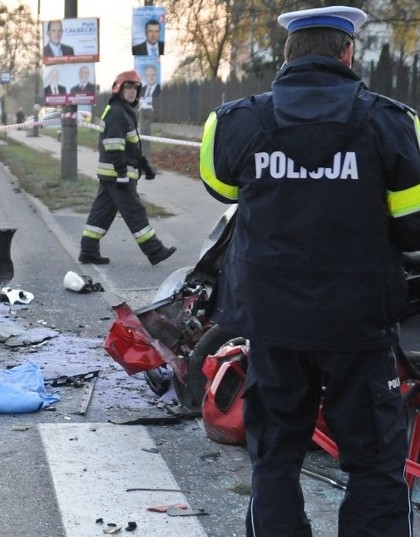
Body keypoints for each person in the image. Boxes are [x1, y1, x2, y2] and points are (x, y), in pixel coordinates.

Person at [199, 6, 420, 536]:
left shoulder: (234, 122)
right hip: (359, 326)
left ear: (287, 55)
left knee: (275, 456)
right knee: (373, 460)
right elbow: (414, 228)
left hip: (273, 326)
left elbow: (222, 189)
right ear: (348, 53)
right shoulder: (393, 123)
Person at [79, 70, 176, 266]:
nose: (132, 91)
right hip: (118, 175)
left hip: (112, 175)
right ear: (119, 89)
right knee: (135, 212)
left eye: (135, 88)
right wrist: (122, 172)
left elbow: (131, 146)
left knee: (102, 213)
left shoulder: (123, 111)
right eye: (128, 87)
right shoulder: (117, 112)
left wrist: (144, 164)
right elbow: (114, 145)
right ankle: (155, 251)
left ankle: (88, 251)